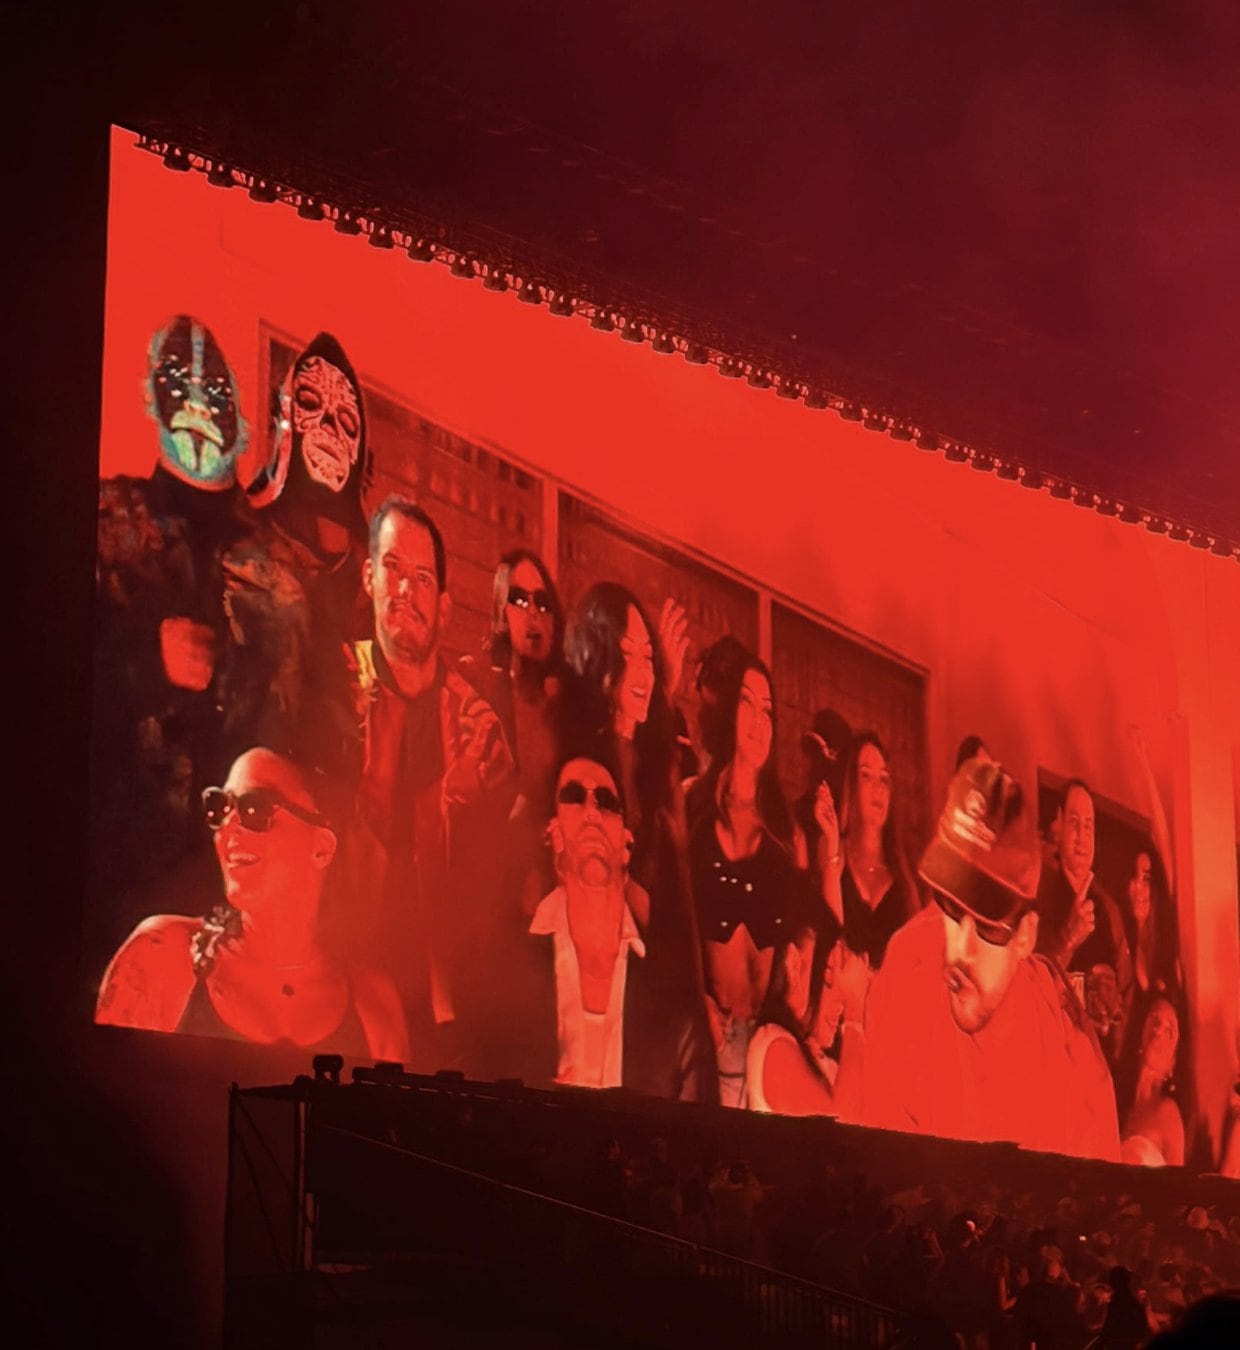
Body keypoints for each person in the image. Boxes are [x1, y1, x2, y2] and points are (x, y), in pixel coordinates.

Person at [835, 754, 1121, 1161]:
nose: (959, 949)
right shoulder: (908, 974)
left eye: (987, 925)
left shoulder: (1071, 1066)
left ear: (1026, 936)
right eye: (950, 907)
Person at [342, 495, 515, 1069]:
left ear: (445, 607)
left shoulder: (479, 726)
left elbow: (498, 885)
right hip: (343, 999)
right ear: (369, 577)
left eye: (422, 578)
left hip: (452, 1014)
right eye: (392, 568)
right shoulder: (336, 688)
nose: (406, 591)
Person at [94, 746, 409, 1061]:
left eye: (255, 808)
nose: (228, 827)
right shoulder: (163, 955)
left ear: (322, 848)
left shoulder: (373, 1004)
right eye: (220, 808)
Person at [91, 315, 249, 917]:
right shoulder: (106, 521)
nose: (201, 406)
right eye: (181, 384)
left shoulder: (266, 556)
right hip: (121, 882)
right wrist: (146, 668)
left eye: (215, 392)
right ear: (152, 397)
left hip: (238, 892)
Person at [507, 754, 715, 1100]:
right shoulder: (510, 974)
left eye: (606, 801)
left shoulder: (674, 1003)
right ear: (554, 834)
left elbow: (698, 1137)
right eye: (574, 797)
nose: (592, 811)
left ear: (626, 846)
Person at [218, 332, 372, 776]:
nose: (328, 427)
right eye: (311, 403)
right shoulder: (236, 544)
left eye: (345, 419)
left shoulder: (373, 587)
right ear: (283, 416)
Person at [560, 582, 707, 1012]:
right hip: (600, 988)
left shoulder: (654, 760)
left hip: (654, 986)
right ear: (598, 658)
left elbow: (677, 887)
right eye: (628, 655)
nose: (643, 671)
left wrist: (697, 999)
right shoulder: (582, 762)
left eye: (648, 657)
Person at [686, 641, 814, 1104]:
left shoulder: (786, 830)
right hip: (709, 1034)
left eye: (769, 710)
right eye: (747, 703)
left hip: (766, 1041)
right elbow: (668, 920)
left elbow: (806, 927)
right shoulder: (694, 807)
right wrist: (692, 996)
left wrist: (799, 977)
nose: (760, 721)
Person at [459, 549, 566, 915]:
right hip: (486, 890)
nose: (533, 611)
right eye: (519, 599)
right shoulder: (477, 684)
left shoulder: (568, 706)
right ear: (500, 608)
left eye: (542, 601)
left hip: (553, 892)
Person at [1035, 779, 1135, 1068]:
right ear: (1059, 826)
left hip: (1100, 1068)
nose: (1082, 835)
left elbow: (1127, 991)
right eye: (1074, 822)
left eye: (1089, 825)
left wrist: (1114, 1032)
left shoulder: (1109, 908)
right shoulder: (1037, 896)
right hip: (1053, 1064)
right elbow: (1027, 984)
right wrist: (1068, 939)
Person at [746, 922, 869, 1116]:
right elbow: (844, 1130)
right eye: (828, 975)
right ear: (794, 964)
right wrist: (854, 1010)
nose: (841, 996)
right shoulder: (775, 1045)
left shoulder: (818, 1059)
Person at [836, 731, 917, 969]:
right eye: (866, 776)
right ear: (850, 784)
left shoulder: (904, 874)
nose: (877, 788)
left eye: (883, 779)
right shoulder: (835, 857)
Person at [1117, 990, 1187, 1167]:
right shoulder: (1115, 1099)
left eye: (1169, 1030)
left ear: (1173, 1062)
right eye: (1154, 1019)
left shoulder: (1168, 1113)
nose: (1157, 1030)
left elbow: (1177, 1189)